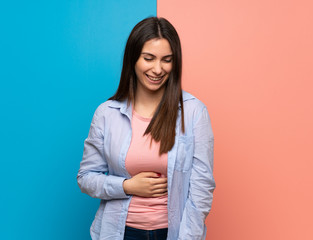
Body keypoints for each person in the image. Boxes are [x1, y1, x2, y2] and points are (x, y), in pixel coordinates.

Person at [77, 17, 215, 240]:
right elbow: (86, 177)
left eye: (167, 60)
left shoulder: (194, 112)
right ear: (133, 59)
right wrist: (127, 186)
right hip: (119, 232)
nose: (158, 69)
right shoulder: (107, 113)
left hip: (172, 233)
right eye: (148, 58)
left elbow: (202, 187)